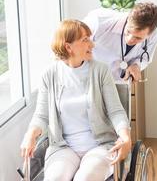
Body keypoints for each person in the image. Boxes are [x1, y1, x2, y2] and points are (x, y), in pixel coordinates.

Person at [20, 19, 131, 181]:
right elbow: (42, 116)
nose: (92, 45)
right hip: (63, 148)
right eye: (85, 40)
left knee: (85, 179)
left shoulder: (100, 71)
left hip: (99, 146)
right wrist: (30, 135)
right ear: (68, 47)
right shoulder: (49, 75)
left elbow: (116, 111)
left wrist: (125, 136)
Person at [83, 2, 157, 83]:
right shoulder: (98, 21)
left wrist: (136, 65)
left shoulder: (154, 35)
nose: (130, 39)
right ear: (128, 20)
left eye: (138, 38)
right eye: (128, 31)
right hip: (90, 78)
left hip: (119, 82)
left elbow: (145, 58)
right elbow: (74, 43)